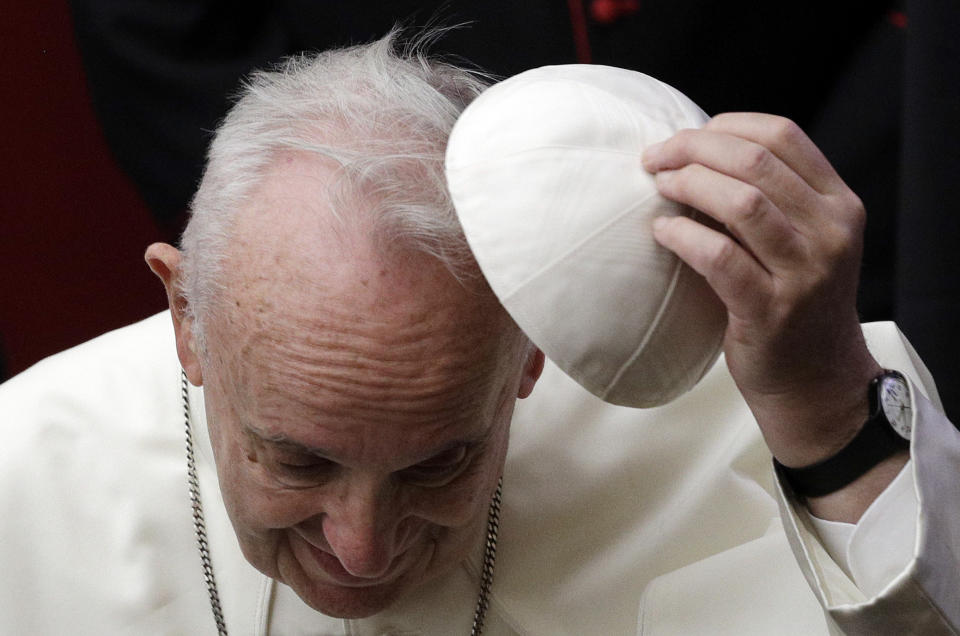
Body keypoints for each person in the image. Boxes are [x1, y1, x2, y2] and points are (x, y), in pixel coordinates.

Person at [1, 32, 956, 635]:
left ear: (530, 350)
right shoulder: (27, 467)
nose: (363, 549)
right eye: (295, 462)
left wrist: (830, 418)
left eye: (437, 464)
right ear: (188, 322)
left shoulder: (752, 427)